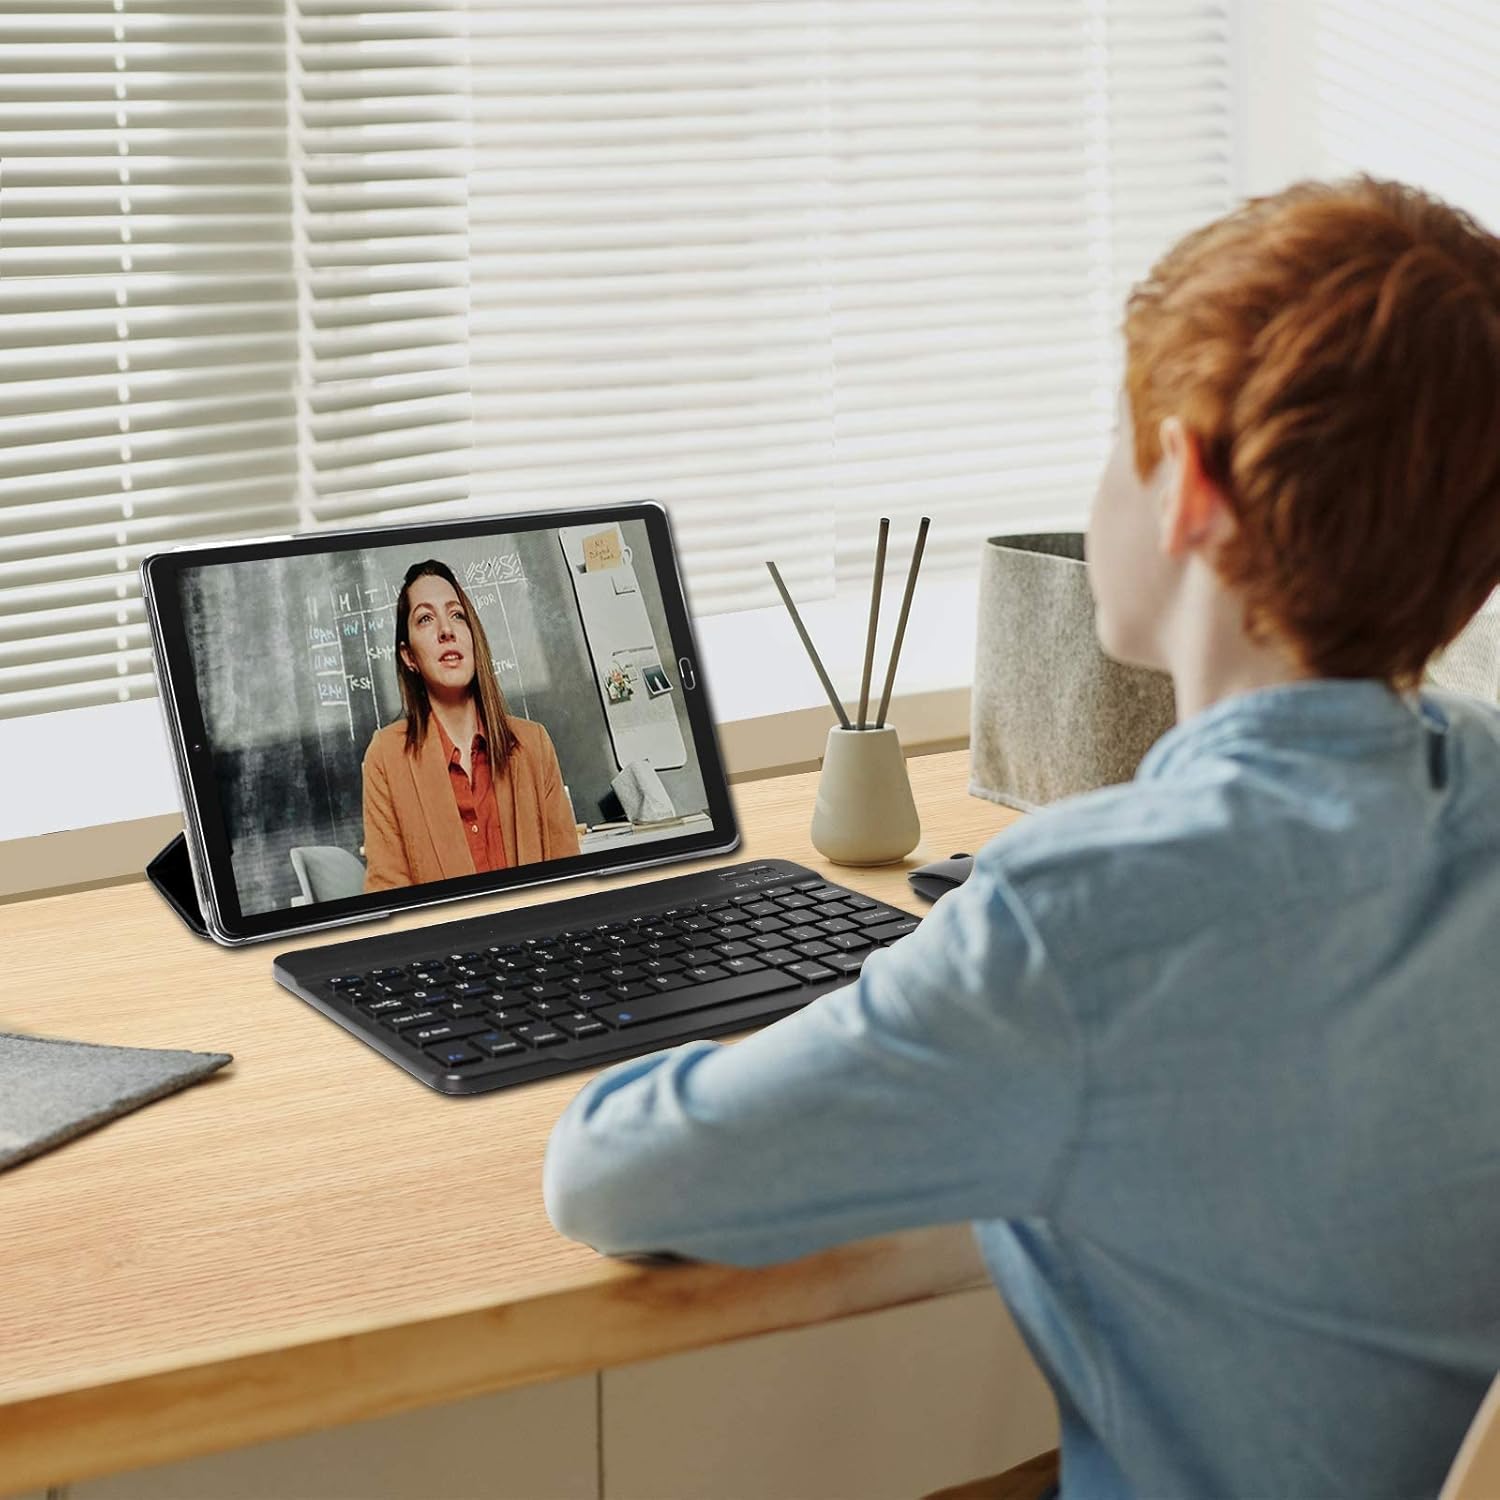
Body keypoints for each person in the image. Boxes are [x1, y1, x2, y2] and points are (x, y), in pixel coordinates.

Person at [543, 177, 1500, 1498]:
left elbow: (615, 1178)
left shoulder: (1081, 924)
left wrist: (929, 1007)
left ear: (1192, 493)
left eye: (1120, 440)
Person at [362, 559, 580, 891]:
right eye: (425, 619)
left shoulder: (534, 744)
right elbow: (390, 898)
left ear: (472, 636)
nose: (446, 630)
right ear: (409, 657)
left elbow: (569, 880)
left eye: (457, 615)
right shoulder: (386, 758)